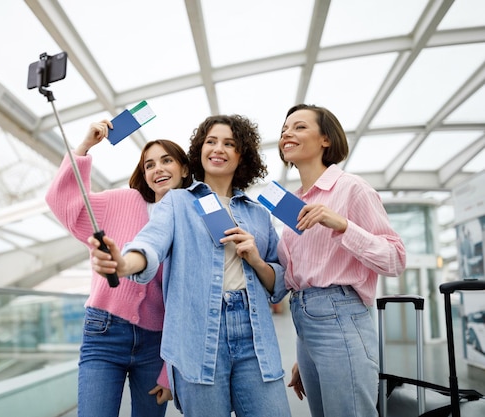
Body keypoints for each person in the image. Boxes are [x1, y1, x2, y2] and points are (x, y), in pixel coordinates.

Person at [89, 114, 292, 417]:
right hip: (198, 338)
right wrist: (123, 263)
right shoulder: (178, 202)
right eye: (211, 142)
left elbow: (279, 283)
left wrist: (256, 260)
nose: (217, 149)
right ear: (199, 150)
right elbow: (150, 243)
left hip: (254, 337)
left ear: (242, 154)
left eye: (229, 143)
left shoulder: (259, 214)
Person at [45, 120, 192, 417]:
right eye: (149, 165)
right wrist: (85, 147)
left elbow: (190, 302)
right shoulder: (122, 201)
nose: (158, 169)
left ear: (185, 169)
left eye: (167, 160)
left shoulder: (192, 217)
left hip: (157, 344)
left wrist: (170, 371)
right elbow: (63, 203)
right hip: (104, 331)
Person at [277, 104, 407, 417]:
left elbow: (395, 259)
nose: (287, 134)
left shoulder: (351, 188)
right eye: (284, 130)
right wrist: (306, 350)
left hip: (341, 315)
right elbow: (299, 274)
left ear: (326, 139)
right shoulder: (291, 202)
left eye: (299, 127)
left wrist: (343, 225)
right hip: (306, 323)